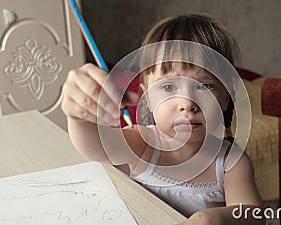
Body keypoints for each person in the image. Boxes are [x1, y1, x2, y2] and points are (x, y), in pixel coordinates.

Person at [62, 14, 264, 225]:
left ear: (226, 97)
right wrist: (77, 116)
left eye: (205, 85)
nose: (187, 103)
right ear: (147, 97)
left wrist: (212, 218)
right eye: (168, 87)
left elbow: (253, 216)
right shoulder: (143, 143)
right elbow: (94, 145)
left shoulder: (230, 162)